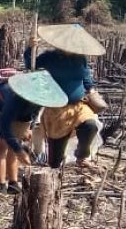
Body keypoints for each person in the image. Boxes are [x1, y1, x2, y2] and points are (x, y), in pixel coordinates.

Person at [28, 24, 104, 169]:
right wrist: (29, 48)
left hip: (78, 106)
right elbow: (30, 66)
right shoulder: (49, 57)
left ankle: (81, 156)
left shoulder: (80, 59)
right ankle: (53, 170)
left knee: (90, 126)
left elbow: (86, 77)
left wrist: (92, 90)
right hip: (57, 110)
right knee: (54, 161)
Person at [0, 69, 67, 193]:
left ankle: (13, 182)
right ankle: (1, 185)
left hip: (19, 113)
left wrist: (30, 128)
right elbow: (5, 126)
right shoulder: (13, 101)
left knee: (15, 146)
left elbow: (35, 112)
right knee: (1, 146)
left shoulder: (39, 97)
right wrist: (19, 151)